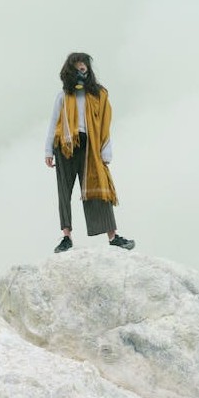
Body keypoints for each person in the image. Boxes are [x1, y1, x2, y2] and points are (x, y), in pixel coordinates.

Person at [45, 52, 136, 253]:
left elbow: (105, 123)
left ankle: (113, 236)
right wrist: (48, 150)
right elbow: (54, 123)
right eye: (77, 67)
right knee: (64, 191)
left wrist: (106, 150)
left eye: (84, 66)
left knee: (98, 188)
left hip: (90, 147)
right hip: (66, 147)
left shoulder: (98, 95)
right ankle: (66, 237)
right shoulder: (63, 96)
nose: (81, 70)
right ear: (70, 70)